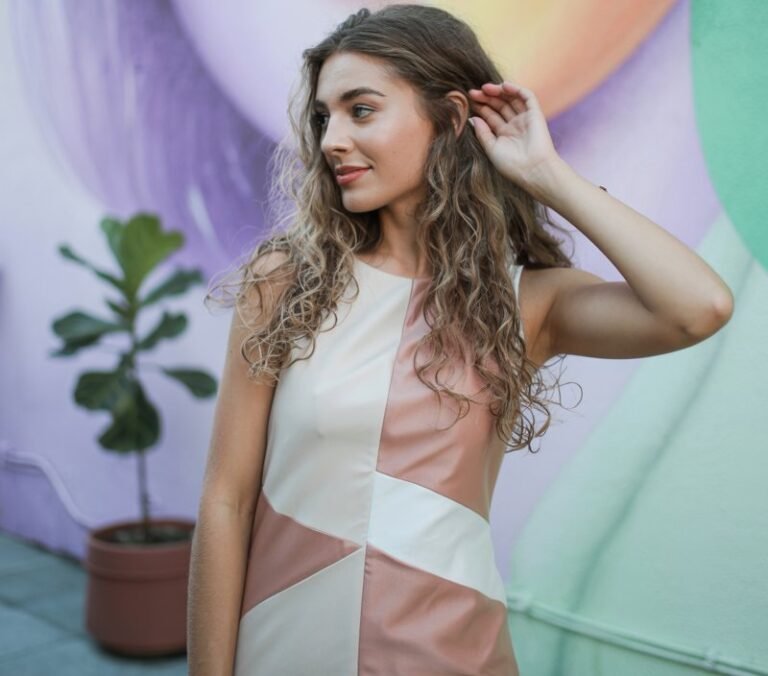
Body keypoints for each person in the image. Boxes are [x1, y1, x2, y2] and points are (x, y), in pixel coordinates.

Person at [187, 4, 734, 675]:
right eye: (324, 116)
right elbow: (226, 500)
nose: (330, 139)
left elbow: (699, 307)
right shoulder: (286, 283)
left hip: (448, 650)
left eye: (361, 110)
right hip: (285, 640)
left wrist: (546, 173)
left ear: (448, 118)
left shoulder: (527, 300)